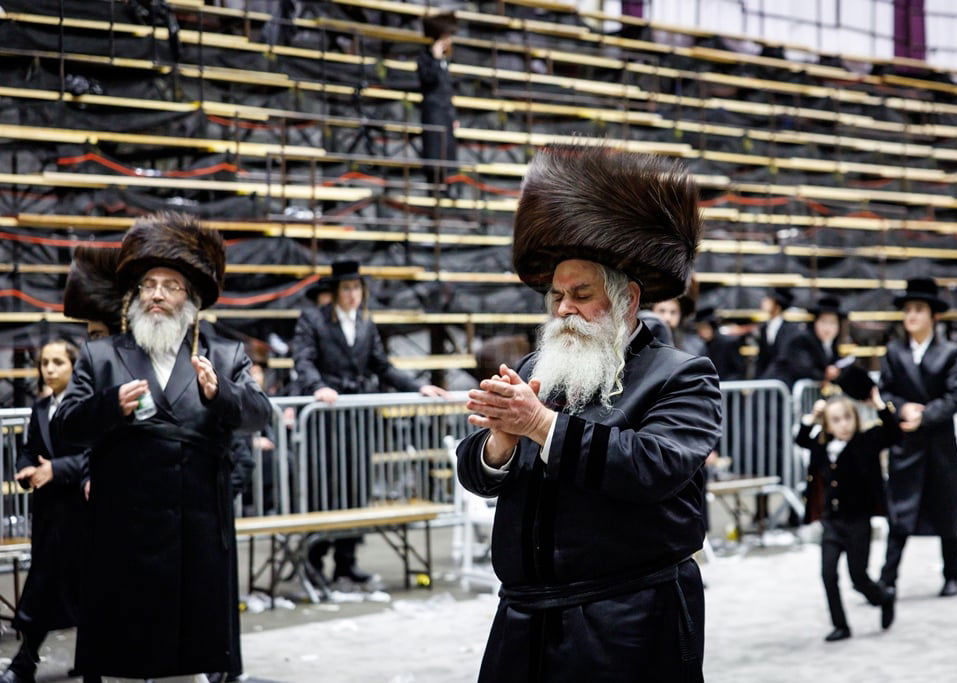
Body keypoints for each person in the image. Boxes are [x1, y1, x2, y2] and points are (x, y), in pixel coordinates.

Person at [457, 145, 721, 681]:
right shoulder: (539, 364)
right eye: (556, 295)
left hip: (626, 619)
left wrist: (538, 424)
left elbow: (651, 466)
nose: (563, 309)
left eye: (581, 294)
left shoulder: (682, 375)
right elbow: (479, 473)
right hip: (523, 617)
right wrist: (498, 446)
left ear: (626, 301)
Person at [53, 212, 271, 681]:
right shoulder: (101, 355)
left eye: (170, 285)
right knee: (122, 662)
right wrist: (110, 405)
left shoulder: (226, 356)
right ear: (134, 295)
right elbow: (65, 427)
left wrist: (221, 395)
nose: (156, 294)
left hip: (194, 535)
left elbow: (260, 414)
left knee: (186, 663)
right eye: (149, 283)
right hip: (121, 536)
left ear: (190, 298)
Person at [291, 259, 447, 587]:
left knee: (357, 485)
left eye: (357, 288)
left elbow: (382, 365)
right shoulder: (313, 319)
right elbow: (302, 360)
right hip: (327, 419)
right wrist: (318, 387)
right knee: (326, 487)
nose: (353, 295)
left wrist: (418, 386)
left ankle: (346, 562)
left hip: (358, 416)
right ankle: (315, 560)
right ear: (334, 292)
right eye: (346, 288)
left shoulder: (366, 322)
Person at [0, 340, 89, 683]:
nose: (49, 369)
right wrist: (25, 471)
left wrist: (58, 468)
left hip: (82, 512)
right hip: (50, 513)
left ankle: (35, 662)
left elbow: (95, 454)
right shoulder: (40, 407)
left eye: (57, 362)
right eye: (44, 363)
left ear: (73, 366)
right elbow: (30, 450)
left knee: (81, 588)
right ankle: (26, 662)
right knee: (45, 586)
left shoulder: (87, 406)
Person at [878, 277, 957, 598]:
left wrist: (925, 415)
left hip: (940, 445)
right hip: (907, 445)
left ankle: (952, 574)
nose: (911, 315)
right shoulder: (894, 352)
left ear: (934, 316)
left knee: (946, 509)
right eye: (908, 310)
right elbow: (885, 390)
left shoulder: (950, 353)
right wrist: (903, 410)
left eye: (918, 309)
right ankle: (887, 578)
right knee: (900, 511)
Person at [796, 388, 898, 642]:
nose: (843, 425)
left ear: (855, 418)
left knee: (858, 577)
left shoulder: (866, 441)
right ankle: (840, 624)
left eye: (847, 418)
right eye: (836, 420)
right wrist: (812, 416)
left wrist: (879, 406)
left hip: (858, 521)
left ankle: (883, 596)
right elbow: (801, 439)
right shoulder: (822, 445)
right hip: (832, 521)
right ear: (827, 425)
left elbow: (894, 433)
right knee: (828, 574)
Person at [417, 11, 459, 190]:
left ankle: (448, 188)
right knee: (435, 152)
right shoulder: (425, 58)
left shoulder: (445, 61)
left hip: (446, 114)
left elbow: (447, 91)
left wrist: (453, 115)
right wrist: (434, 59)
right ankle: (434, 187)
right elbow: (428, 80)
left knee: (448, 154)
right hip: (433, 113)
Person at [791, 296, 843, 385]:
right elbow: (804, 369)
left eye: (832, 323)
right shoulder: (803, 340)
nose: (827, 328)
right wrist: (826, 374)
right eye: (824, 321)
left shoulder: (832, 344)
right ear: (815, 323)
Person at [755, 286, 800, 386]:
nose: (764, 301)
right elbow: (762, 358)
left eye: (769, 299)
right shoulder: (764, 328)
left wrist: (766, 378)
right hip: (766, 379)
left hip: (782, 379)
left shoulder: (789, 328)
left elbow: (782, 358)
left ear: (777, 305)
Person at [694, 307, 745, 381]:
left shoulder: (728, 343)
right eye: (699, 328)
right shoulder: (705, 346)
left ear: (712, 327)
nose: (701, 332)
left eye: (704, 328)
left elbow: (738, 370)